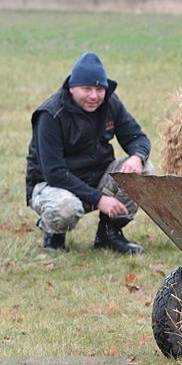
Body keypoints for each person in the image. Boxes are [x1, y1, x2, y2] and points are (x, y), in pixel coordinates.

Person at [25, 52, 152, 254]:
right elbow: (54, 173)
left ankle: (109, 235)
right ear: (72, 88)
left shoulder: (110, 104)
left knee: (144, 169)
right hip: (53, 185)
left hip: (96, 178)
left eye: (99, 89)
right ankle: (54, 235)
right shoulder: (50, 115)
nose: (94, 96)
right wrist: (99, 199)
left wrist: (137, 157)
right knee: (65, 209)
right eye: (87, 89)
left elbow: (137, 138)